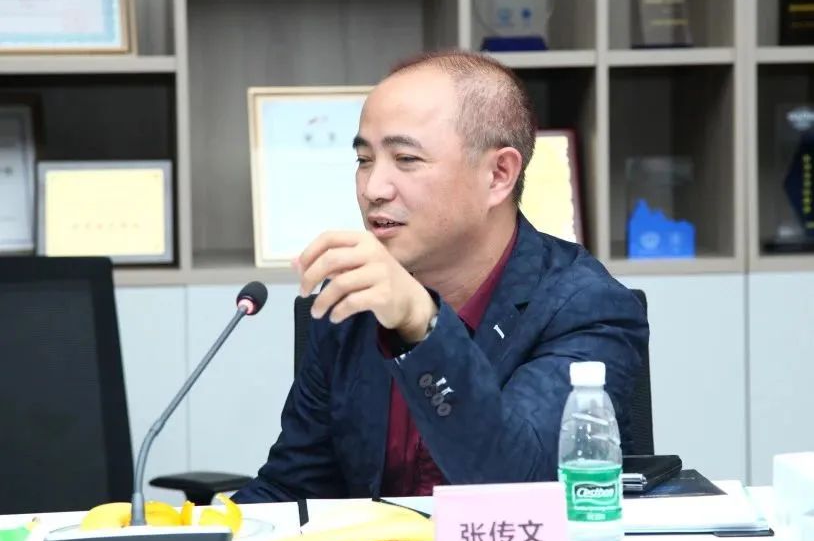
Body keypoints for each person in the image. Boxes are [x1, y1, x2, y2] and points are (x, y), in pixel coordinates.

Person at [232, 50, 648, 503]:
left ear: (498, 175)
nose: (373, 188)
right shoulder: (355, 300)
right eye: (364, 160)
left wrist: (422, 325)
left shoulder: (587, 307)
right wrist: (205, 533)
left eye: (406, 159)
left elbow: (521, 485)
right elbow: (292, 490)